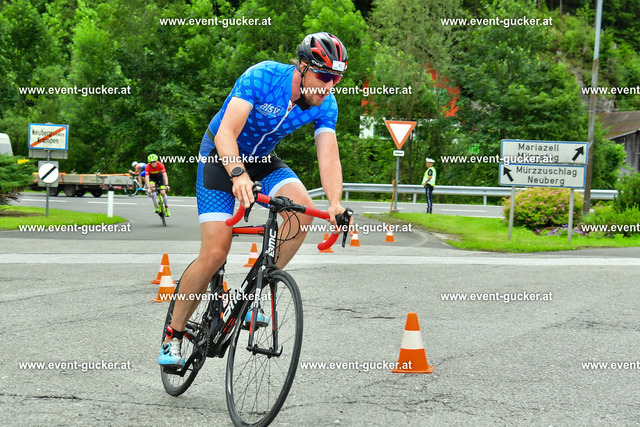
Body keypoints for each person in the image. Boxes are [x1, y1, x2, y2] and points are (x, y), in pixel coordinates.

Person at [158, 32, 350, 367]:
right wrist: (237, 175)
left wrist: (334, 202)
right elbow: (226, 133)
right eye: (323, 76)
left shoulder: (326, 104)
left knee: (302, 212)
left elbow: (329, 157)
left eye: (336, 79)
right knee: (215, 252)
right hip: (220, 155)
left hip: (262, 160)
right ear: (302, 66)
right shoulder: (262, 77)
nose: (328, 86)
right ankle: (172, 336)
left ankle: (252, 291)